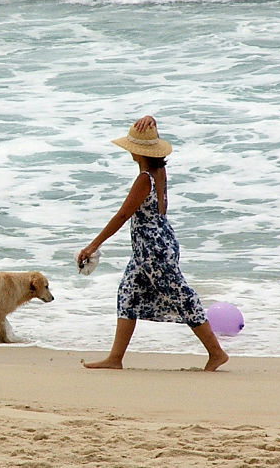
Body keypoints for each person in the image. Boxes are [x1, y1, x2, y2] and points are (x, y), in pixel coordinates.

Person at [76, 115, 228, 372]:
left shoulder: (144, 179)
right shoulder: (160, 170)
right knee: (128, 294)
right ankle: (115, 359)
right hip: (155, 244)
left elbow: (123, 215)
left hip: (153, 249)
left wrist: (93, 246)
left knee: (182, 297)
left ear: (138, 152)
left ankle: (216, 352)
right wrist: (152, 121)